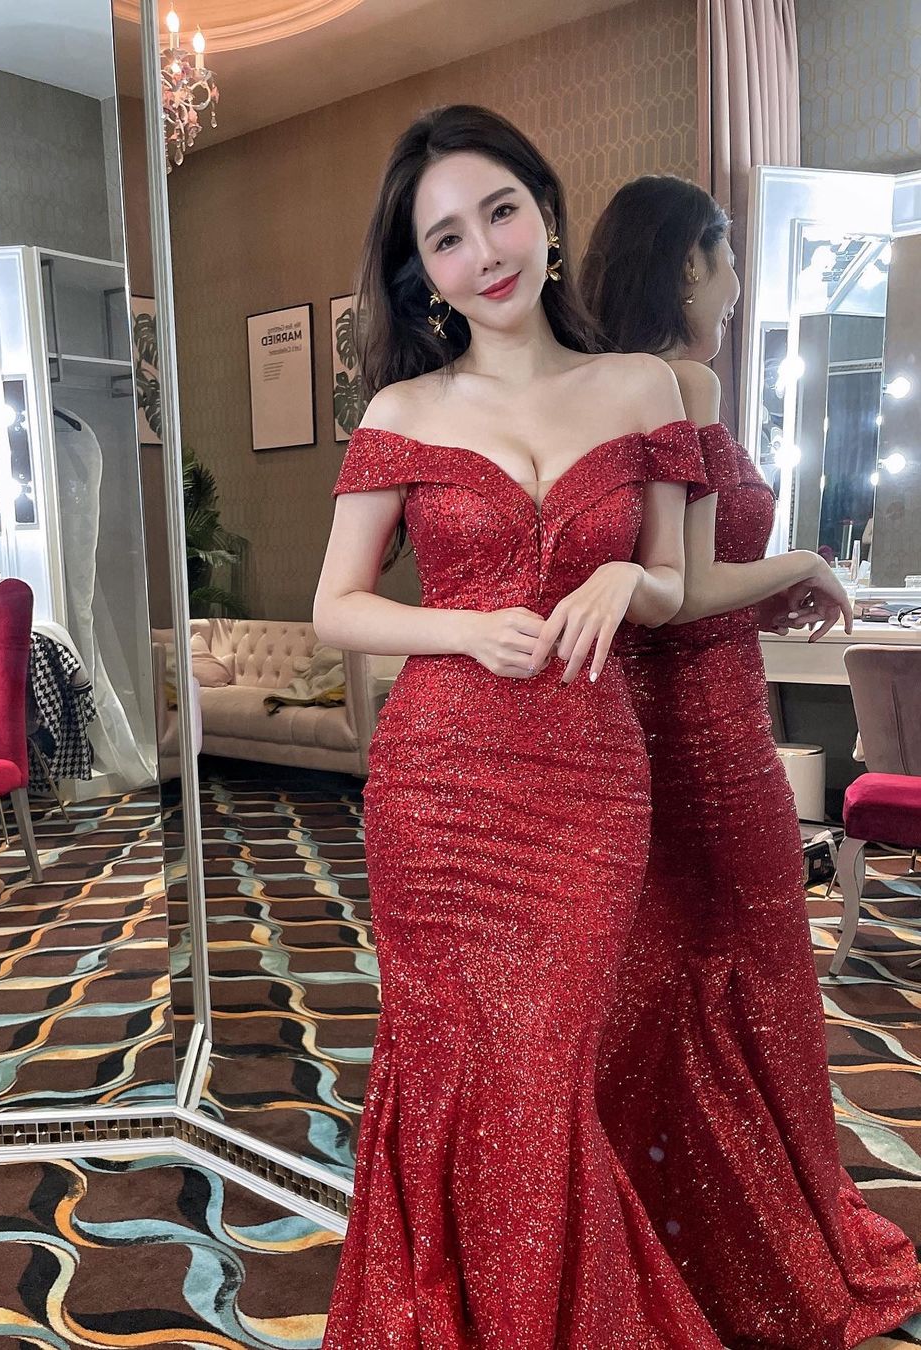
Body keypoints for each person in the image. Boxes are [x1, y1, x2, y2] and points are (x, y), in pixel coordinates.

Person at [313, 106, 723, 1347]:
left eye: (499, 212)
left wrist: (626, 580)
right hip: (440, 791)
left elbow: (677, 583)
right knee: (460, 1069)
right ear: (423, 272)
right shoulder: (403, 408)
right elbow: (336, 608)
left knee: (542, 1072)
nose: (483, 251)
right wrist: (460, 627)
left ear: (544, 212)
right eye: (446, 238)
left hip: (589, 788)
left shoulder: (643, 387)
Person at [580, 174, 921, 1347]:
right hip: (704, 722)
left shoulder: (606, 388)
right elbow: (679, 594)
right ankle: (750, 1243)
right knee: (753, 958)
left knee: (669, 962)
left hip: (650, 712)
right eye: (726, 258)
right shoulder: (683, 382)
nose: (736, 282)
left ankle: (650, 1216)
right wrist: (804, 566)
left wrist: (764, 598)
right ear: (688, 263)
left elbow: (663, 581)